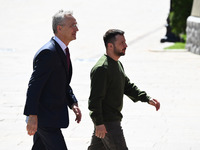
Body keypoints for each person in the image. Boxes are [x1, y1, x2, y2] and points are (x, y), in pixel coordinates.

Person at [88, 29, 160, 150]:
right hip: (108, 123)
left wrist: (146, 98)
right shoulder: (102, 69)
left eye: (125, 42)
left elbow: (127, 86)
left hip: (109, 122)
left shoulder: (117, 64)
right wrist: (99, 123)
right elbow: (95, 100)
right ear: (110, 46)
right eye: (122, 43)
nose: (126, 45)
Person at [23, 10, 82, 150]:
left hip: (50, 117)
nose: (77, 29)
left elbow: (62, 82)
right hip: (44, 118)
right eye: (72, 25)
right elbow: (34, 86)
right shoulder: (48, 53)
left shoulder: (62, 50)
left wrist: (72, 102)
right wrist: (32, 115)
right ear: (59, 28)